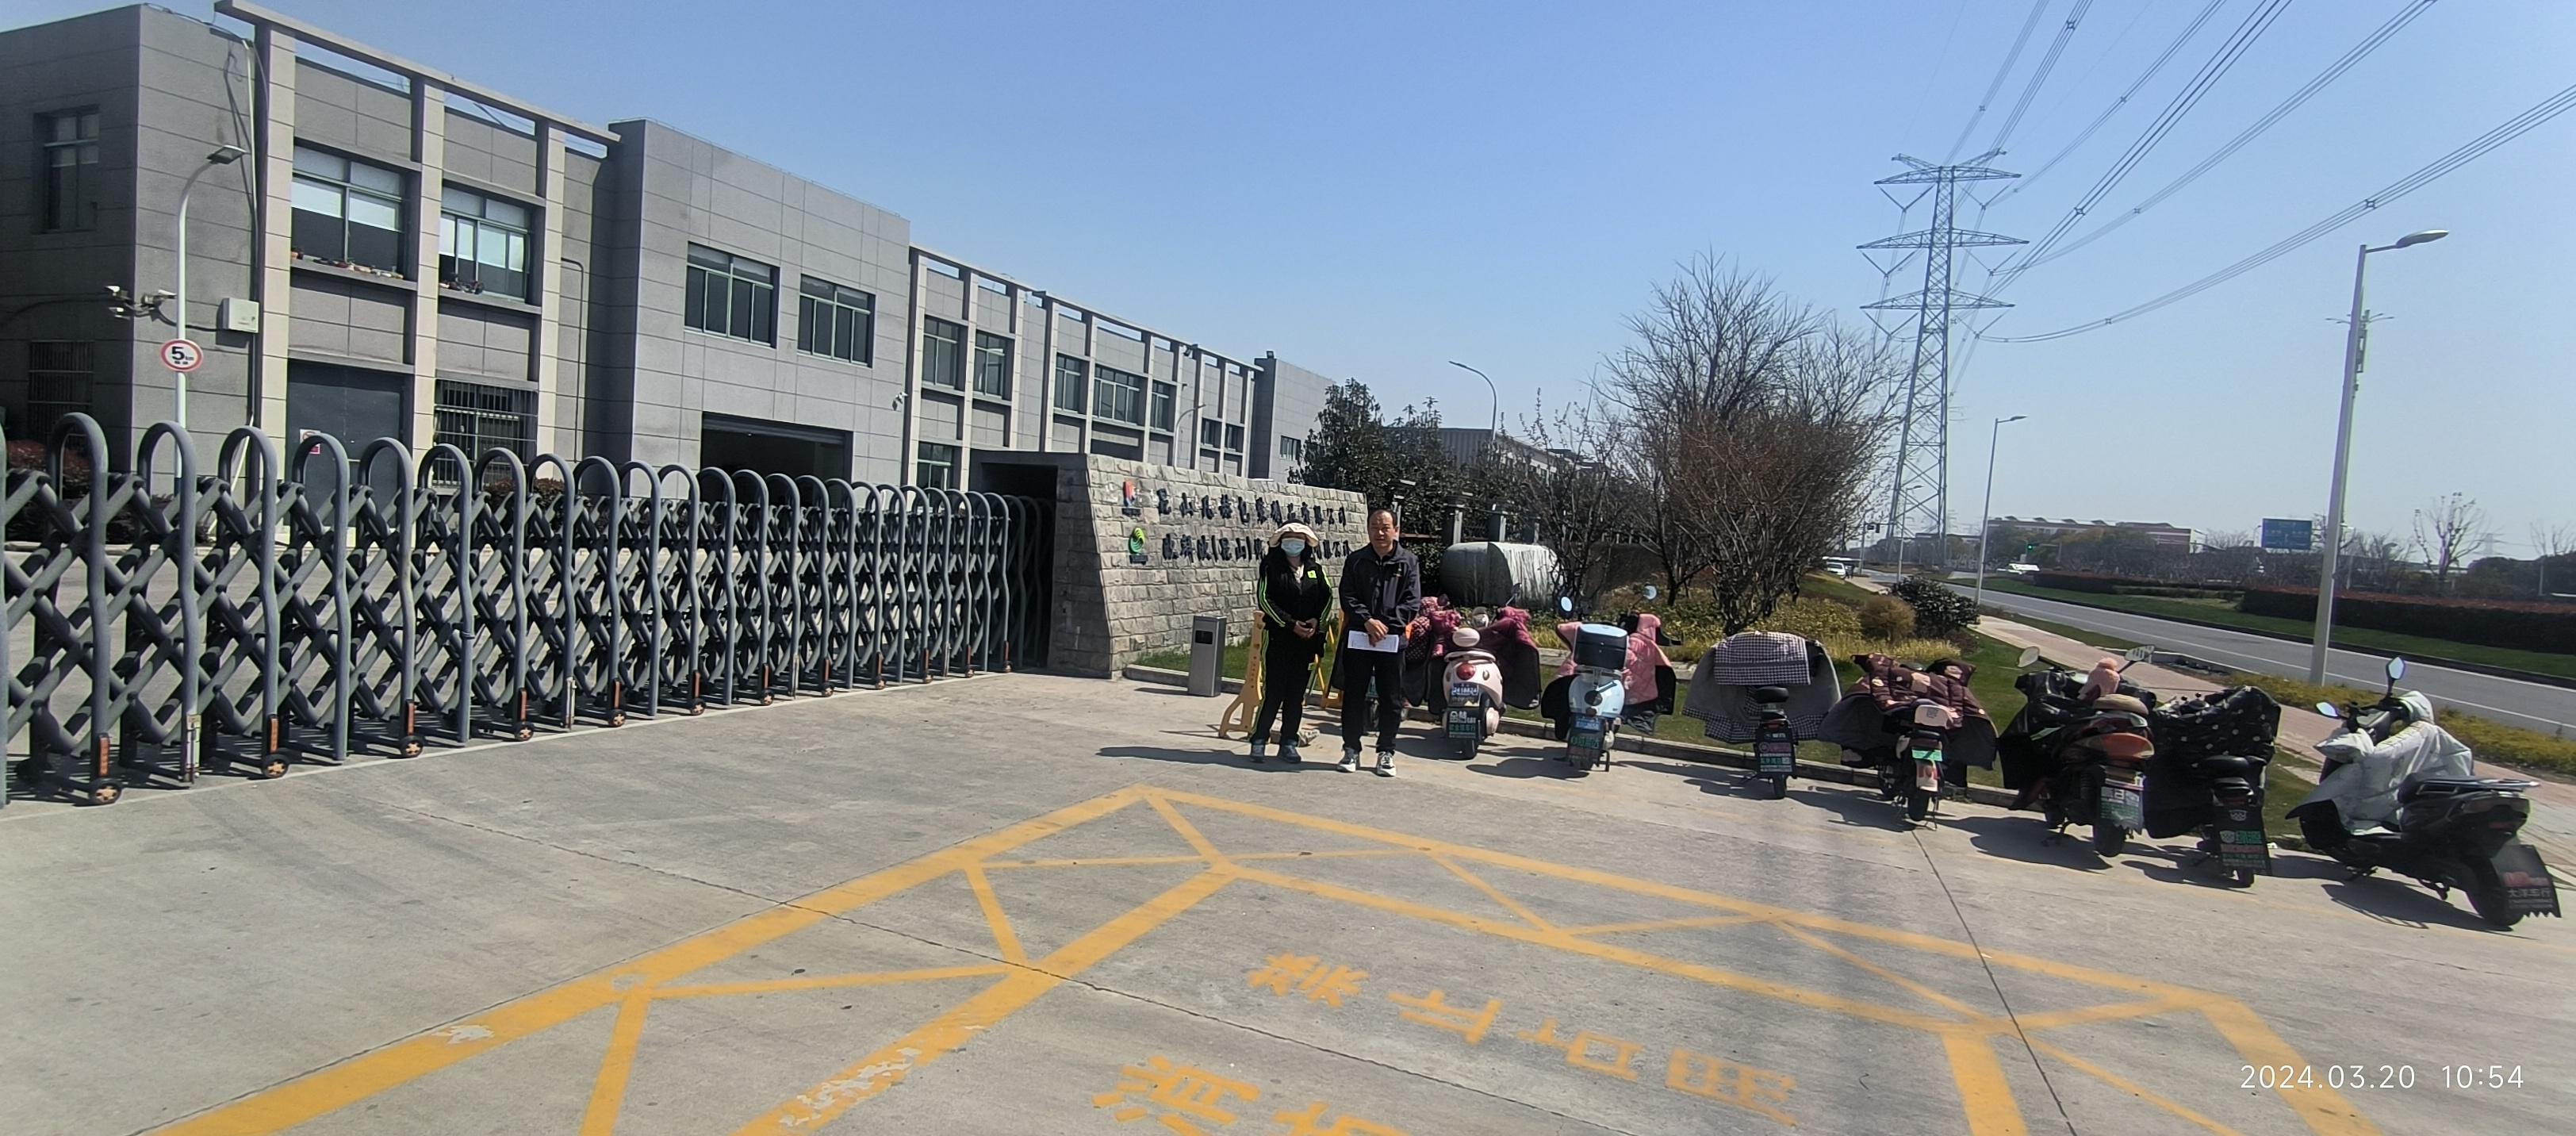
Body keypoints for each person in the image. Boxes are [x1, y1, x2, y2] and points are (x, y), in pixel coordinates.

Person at [1335, 508, 1421, 775]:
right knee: (1353, 696)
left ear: (1396, 530)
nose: (1380, 532)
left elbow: (1412, 602)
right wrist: (1368, 621)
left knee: (1391, 698)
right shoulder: (1356, 560)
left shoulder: (1408, 561)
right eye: (1375, 527)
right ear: (1368, 530)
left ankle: (1386, 751)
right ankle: (1351, 749)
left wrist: (1385, 625)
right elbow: (1347, 595)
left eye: (1385, 527)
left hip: (1391, 641)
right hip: (1359, 637)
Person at [1248, 522, 1332, 764]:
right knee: (1274, 692)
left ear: (1306, 543)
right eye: (1289, 537)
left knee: (1296, 695)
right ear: (1280, 542)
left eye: (1299, 538)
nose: (1294, 542)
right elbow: (1265, 600)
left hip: (1306, 642)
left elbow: (1327, 598)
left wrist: (1316, 621)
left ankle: (1289, 742)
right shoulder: (1271, 568)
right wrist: (1290, 624)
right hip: (1279, 638)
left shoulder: (1315, 569)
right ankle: (1259, 739)